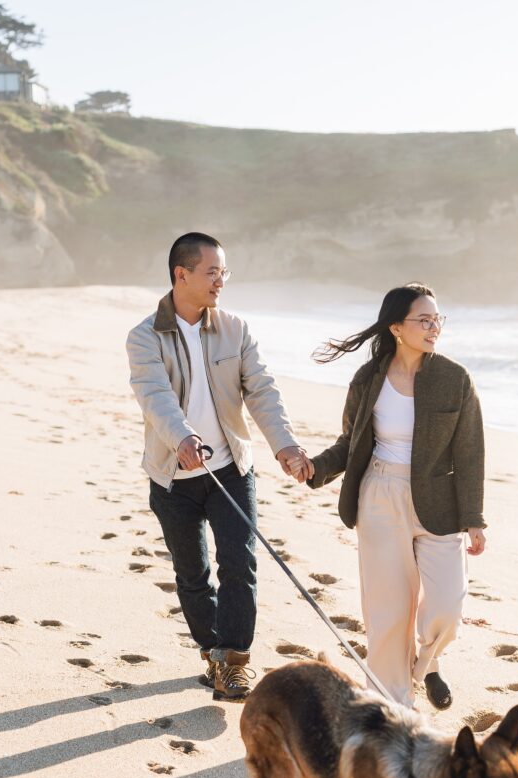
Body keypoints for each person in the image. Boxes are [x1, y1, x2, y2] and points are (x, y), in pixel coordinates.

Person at [126, 232, 310, 702]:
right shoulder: (145, 336)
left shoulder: (235, 329)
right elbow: (154, 395)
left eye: (224, 272)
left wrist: (285, 446)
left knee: (240, 564)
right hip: (174, 477)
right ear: (181, 275)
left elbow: (262, 390)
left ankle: (234, 661)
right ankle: (212, 652)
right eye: (212, 272)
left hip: (230, 469)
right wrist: (181, 437)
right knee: (192, 574)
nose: (220, 282)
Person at [292, 283, 486, 710]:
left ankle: (426, 665)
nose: (434, 327)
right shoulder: (369, 379)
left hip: (439, 503)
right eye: (424, 319)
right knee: (388, 614)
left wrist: (474, 517)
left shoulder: (455, 379)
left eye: (438, 319)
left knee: (447, 607)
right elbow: (351, 442)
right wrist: (316, 467)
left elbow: (470, 452)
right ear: (397, 327)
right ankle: (394, 705)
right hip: (379, 496)